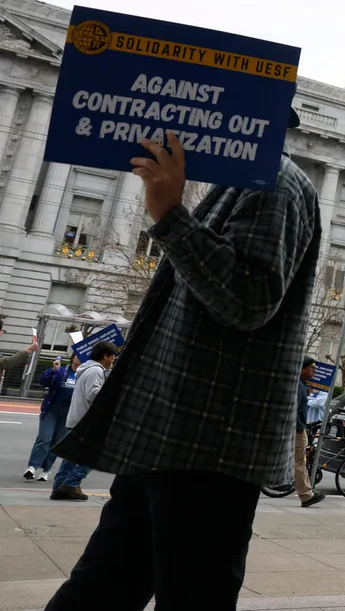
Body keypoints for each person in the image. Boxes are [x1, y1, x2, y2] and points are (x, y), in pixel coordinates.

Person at [45, 124, 322, 610]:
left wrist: (170, 216)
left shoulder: (273, 181)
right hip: (170, 436)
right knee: (98, 589)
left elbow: (248, 299)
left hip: (207, 446)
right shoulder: (236, 183)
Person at [49, 343, 118, 501]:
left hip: (77, 418)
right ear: (105, 356)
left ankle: (59, 488)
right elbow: (93, 394)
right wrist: (111, 393)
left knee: (72, 456)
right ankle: (71, 484)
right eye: (113, 355)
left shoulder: (88, 368)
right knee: (92, 455)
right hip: (88, 420)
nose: (114, 359)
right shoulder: (95, 370)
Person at [25, 354, 79, 482]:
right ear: (72, 358)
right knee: (44, 438)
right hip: (52, 409)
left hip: (69, 413)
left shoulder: (85, 374)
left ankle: (46, 470)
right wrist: (53, 371)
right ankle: (32, 467)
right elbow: (44, 381)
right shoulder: (62, 370)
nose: (79, 358)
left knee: (57, 443)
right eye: (76, 356)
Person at [294, 357, 325, 507]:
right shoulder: (299, 386)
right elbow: (294, 409)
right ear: (303, 368)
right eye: (312, 367)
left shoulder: (300, 385)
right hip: (297, 430)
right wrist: (300, 427)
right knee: (300, 462)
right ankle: (306, 496)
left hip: (296, 428)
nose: (315, 370)